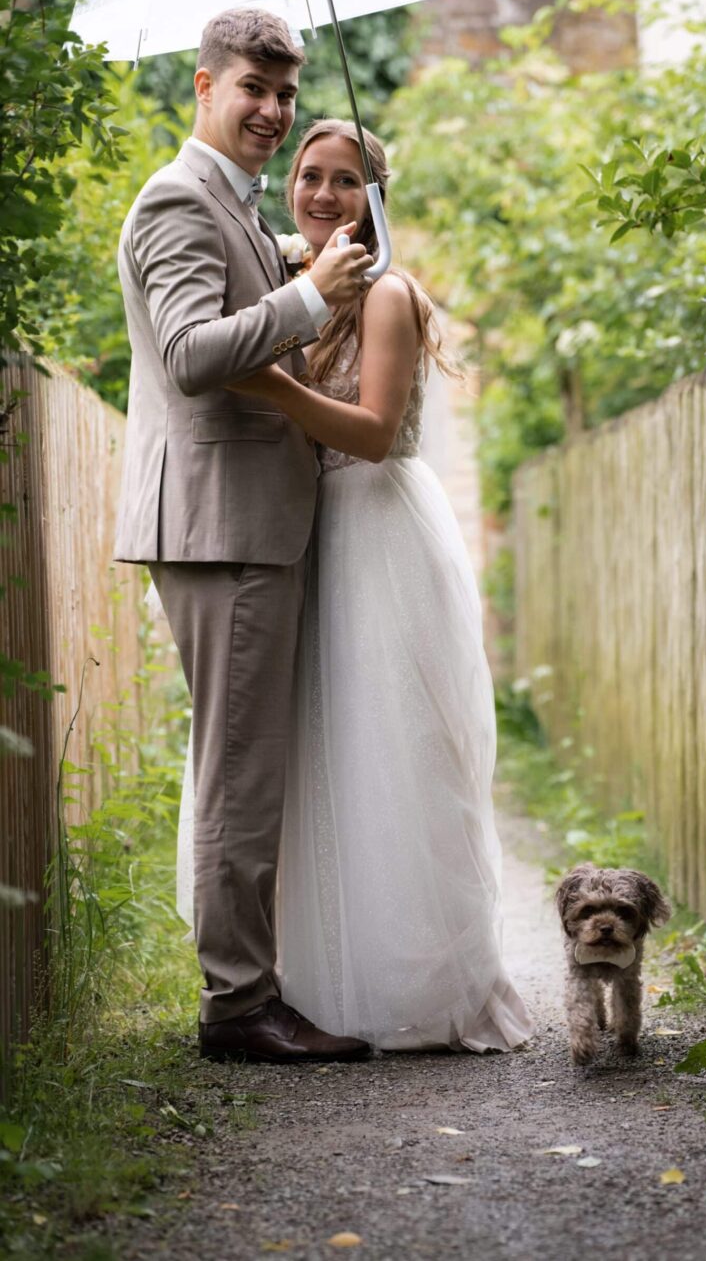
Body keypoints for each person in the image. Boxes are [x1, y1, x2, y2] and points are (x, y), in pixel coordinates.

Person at [200, 118, 533, 1051]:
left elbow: (375, 430)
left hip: (380, 530)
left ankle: (425, 986)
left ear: (374, 196)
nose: (321, 196)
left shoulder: (385, 295)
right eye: (309, 177)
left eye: (346, 181)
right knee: (335, 755)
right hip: (316, 536)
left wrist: (270, 388)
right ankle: (340, 982)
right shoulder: (303, 287)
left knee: (401, 748)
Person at [114, 9, 374, 1064]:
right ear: (203, 86)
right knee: (239, 771)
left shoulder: (233, 200)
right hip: (221, 522)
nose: (270, 111)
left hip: (250, 520)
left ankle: (248, 991)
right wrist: (308, 296)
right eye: (251, 90)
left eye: (284, 94)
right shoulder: (178, 198)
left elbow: (241, 290)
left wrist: (302, 259)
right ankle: (238, 1008)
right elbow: (187, 352)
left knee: (247, 766)